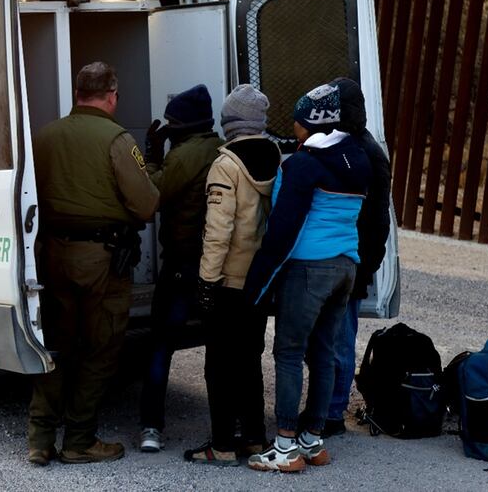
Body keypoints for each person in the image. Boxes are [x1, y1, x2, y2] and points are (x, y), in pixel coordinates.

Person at [27, 61, 160, 466]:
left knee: (55, 347)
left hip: (50, 255)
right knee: (100, 349)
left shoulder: (44, 136)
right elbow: (146, 203)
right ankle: (80, 440)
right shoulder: (117, 139)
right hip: (101, 261)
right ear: (112, 95)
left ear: (77, 94)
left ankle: (40, 439)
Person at [242, 83, 371, 472]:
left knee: (289, 353)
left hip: (308, 269)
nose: (293, 128)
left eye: (296, 121)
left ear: (307, 123)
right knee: (324, 354)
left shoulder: (301, 164)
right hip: (346, 266)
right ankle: (312, 441)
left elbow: (283, 228)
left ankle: (284, 448)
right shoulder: (358, 159)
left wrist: (257, 282)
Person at [183, 84, 281, 466]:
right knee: (250, 359)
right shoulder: (275, 156)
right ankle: (255, 437)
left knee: (219, 365)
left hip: (229, 281)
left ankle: (222, 445)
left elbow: (218, 231)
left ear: (230, 123)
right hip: (259, 280)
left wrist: (206, 282)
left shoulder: (226, 165)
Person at [136, 84, 224, 452]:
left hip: (182, 264)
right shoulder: (220, 149)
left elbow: (152, 193)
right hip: (216, 265)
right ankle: (227, 426)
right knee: (219, 348)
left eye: (172, 123)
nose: (168, 128)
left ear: (184, 127)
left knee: (160, 346)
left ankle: (151, 427)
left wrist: (151, 155)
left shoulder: (185, 155)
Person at [316, 76, 393, 436]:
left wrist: (368, 263)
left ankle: (330, 412)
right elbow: (380, 220)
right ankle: (329, 409)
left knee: (336, 339)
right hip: (356, 259)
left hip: (347, 257)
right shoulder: (369, 150)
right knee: (338, 338)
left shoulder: (346, 150)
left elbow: (376, 220)